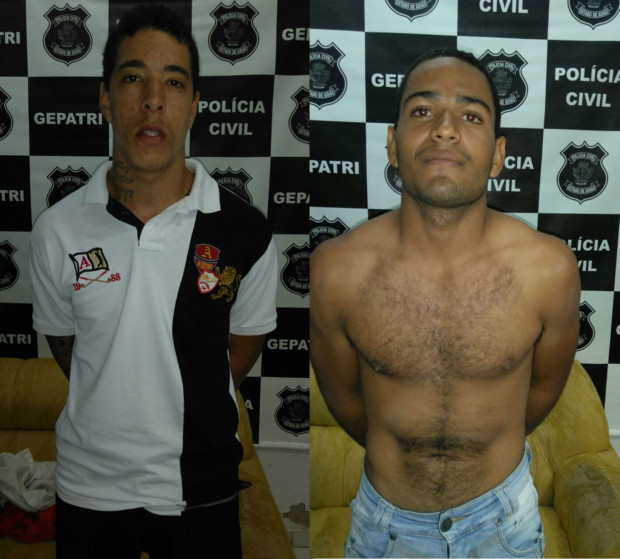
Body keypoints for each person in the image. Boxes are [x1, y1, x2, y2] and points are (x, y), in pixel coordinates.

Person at [310, 47, 580, 558]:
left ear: (498, 155)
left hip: (506, 528)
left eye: (471, 116)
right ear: (392, 145)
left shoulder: (549, 270)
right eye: (422, 110)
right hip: (382, 531)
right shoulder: (336, 271)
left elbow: (544, 389)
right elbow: (345, 398)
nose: (445, 130)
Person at [29, 4, 278, 558]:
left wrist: (185, 388)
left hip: (203, 487)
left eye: (174, 82)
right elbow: (66, 346)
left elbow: (241, 347)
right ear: (104, 98)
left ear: (194, 106)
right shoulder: (56, 231)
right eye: (133, 78)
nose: (153, 100)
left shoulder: (246, 233)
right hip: (90, 488)